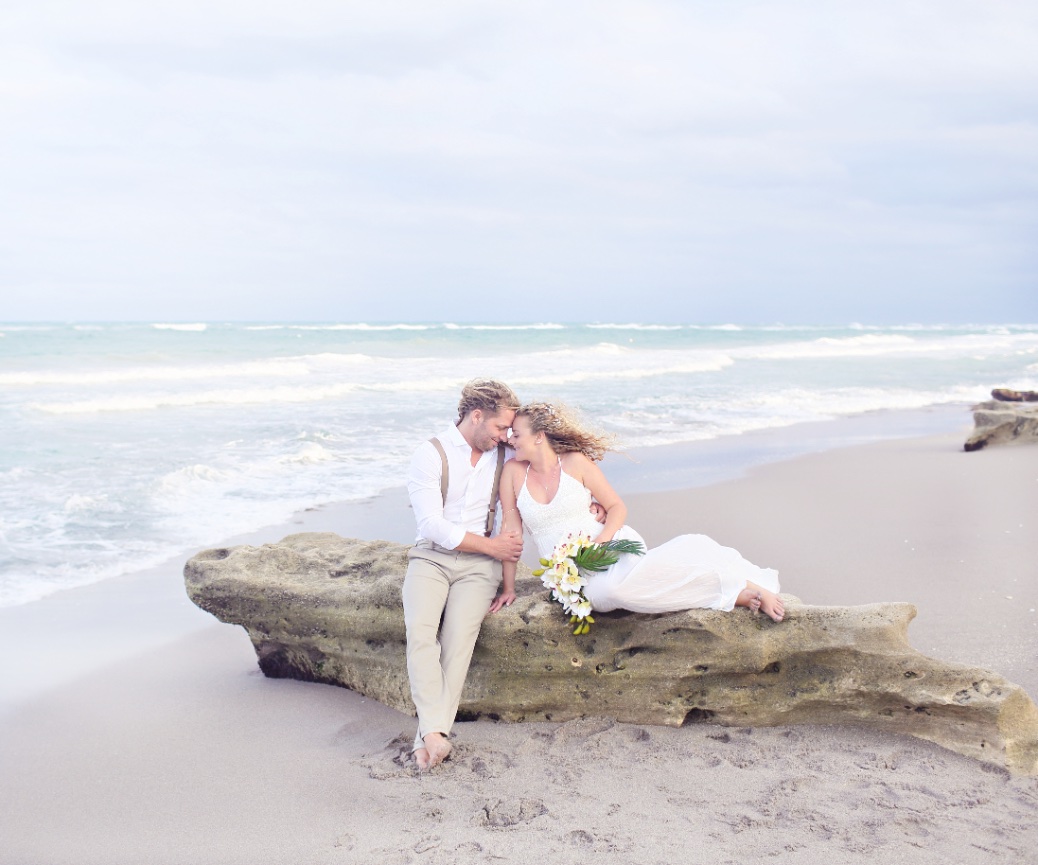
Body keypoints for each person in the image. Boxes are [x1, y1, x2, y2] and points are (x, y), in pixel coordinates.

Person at [499, 402, 785, 621]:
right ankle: (722, 579)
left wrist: (602, 542)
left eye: (517, 434)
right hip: (568, 573)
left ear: (539, 437)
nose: (511, 439)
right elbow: (511, 533)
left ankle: (738, 588)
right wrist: (509, 589)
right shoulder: (513, 472)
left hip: (612, 545)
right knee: (601, 596)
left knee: (612, 590)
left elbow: (616, 507)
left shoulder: (575, 463)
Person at [403, 379, 523, 771]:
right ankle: (435, 734)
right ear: (476, 416)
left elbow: (549, 456)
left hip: (477, 570)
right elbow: (432, 525)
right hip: (431, 557)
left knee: (458, 644)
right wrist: (493, 548)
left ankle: (429, 736)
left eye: (508, 430)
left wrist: (595, 507)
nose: (504, 435)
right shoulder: (430, 454)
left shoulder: (504, 455)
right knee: (421, 634)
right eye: (499, 427)